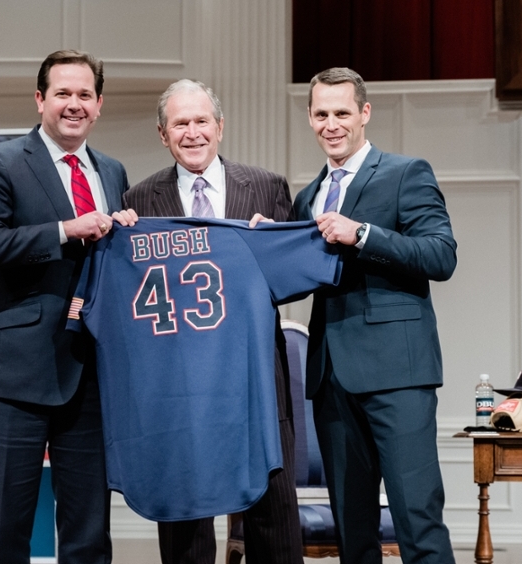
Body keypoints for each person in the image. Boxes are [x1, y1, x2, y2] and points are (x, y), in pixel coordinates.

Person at [0, 50, 135, 564]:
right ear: (40, 100)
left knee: (89, 534)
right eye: (62, 94)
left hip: (90, 373)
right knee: (10, 530)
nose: (73, 105)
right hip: (13, 375)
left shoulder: (113, 170)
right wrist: (65, 229)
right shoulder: (0, 161)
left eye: (84, 95)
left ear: (98, 105)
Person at [123, 79, 303, 564]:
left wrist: (276, 250)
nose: (192, 132)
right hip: (178, 387)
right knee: (185, 520)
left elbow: (293, 282)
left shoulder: (266, 186)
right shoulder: (138, 199)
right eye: (180, 123)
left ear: (220, 127)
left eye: (202, 121)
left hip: (257, 379)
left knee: (274, 515)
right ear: (163, 134)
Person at [293, 67, 458, 564]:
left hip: (398, 376)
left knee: (417, 518)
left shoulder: (407, 172)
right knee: (353, 531)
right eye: (321, 114)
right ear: (310, 118)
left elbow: (440, 255)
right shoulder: (308, 196)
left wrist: (362, 234)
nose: (331, 124)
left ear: (364, 113)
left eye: (342, 112)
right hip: (331, 381)